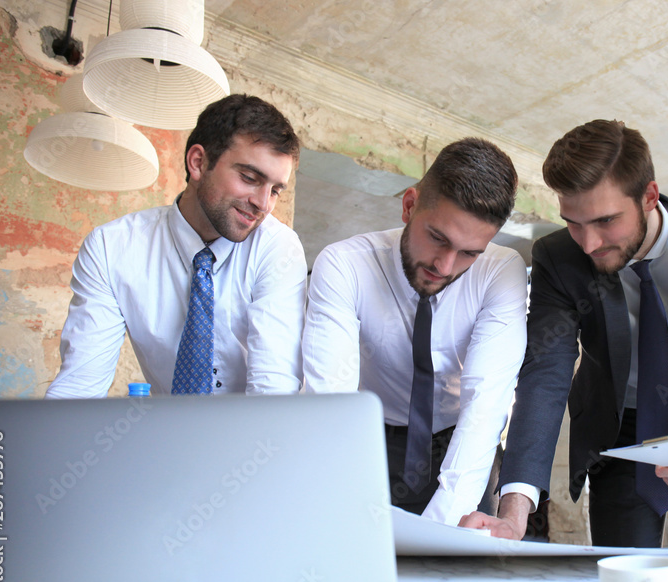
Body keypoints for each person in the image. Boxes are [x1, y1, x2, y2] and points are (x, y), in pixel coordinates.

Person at [460, 120, 668, 547]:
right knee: (619, 570)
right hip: (625, 429)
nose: (588, 243)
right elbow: (545, 377)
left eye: (606, 220)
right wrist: (513, 514)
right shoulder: (557, 258)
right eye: (573, 222)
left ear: (649, 196)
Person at [302, 137, 526, 526]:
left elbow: (486, 402)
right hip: (371, 442)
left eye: (470, 252)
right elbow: (328, 401)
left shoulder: (500, 272)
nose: (445, 264)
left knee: (462, 574)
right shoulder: (344, 265)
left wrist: (444, 532)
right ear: (409, 205)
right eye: (438, 238)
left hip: (462, 447)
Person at [46, 95, 307, 399]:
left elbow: (272, 392)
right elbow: (79, 386)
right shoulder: (111, 248)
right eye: (250, 178)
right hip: (165, 432)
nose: (263, 204)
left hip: (256, 435)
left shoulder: (278, 248)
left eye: (275, 190)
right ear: (198, 162)